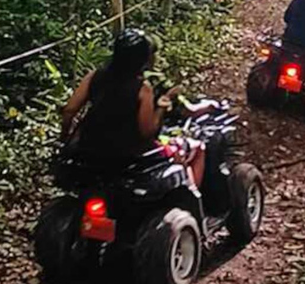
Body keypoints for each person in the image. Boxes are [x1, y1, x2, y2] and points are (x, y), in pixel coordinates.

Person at [61, 29, 207, 188]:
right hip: (127, 156)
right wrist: (161, 106)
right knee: (196, 148)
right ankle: (192, 199)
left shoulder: (94, 76)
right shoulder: (142, 89)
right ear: (143, 59)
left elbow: (69, 110)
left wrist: (65, 137)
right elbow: (148, 132)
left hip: (88, 150)